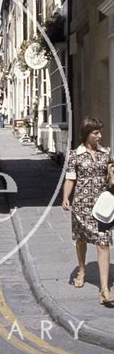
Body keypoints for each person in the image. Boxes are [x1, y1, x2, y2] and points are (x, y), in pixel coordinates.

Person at [62, 117, 114, 304]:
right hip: (81, 205)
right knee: (81, 239)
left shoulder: (106, 153)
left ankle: (104, 289)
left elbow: (111, 175)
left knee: (103, 243)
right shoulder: (75, 155)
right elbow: (70, 178)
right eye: (95, 133)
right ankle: (82, 270)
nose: (99, 136)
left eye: (100, 132)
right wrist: (66, 197)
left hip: (102, 206)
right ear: (86, 134)